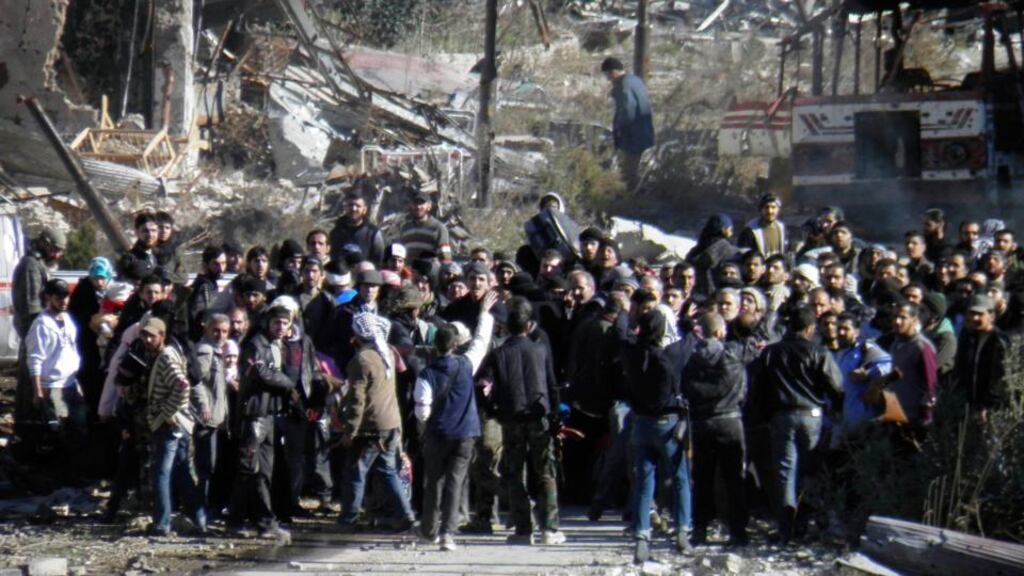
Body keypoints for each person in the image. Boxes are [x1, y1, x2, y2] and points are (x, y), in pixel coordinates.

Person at [414, 291, 497, 551]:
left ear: (435, 345)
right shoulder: (466, 364)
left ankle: (429, 529)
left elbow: (422, 409)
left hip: (437, 434)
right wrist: (484, 313)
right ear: (455, 345)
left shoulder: (426, 374)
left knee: (433, 482)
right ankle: (448, 533)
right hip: (465, 433)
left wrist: (424, 428)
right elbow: (481, 341)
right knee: (455, 481)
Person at [478, 297, 565, 545]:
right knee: (545, 472)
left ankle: (523, 529)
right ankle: (549, 527)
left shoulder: (498, 354)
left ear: (507, 327)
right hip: (538, 416)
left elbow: (482, 385)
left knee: (515, 474)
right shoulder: (540, 350)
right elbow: (552, 385)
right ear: (529, 325)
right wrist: (555, 415)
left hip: (511, 417)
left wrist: (492, 410)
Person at [753, 305, 843, 541]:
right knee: (810, 471)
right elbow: (835, 386)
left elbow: (758, 388)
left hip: (781, 416)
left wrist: (763, 416)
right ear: (811, 328)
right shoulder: (819, 352)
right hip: (812, 415)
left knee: (785, 473)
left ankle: (786, 529)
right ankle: (808, 523)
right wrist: (838, 409)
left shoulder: (771, 353)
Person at [614, 305, 690, 562]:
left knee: (644, 481)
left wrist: (626, 310)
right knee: (680, 478)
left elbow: (621, 332)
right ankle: (682, 531)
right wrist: (687, 318)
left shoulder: (631, 352)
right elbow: (690, 339)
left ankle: (641, 536)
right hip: (668, 423)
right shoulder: (671, 355)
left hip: (641, 422)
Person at [335, 311, 417, 532]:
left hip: (370, 427)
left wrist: (350, 431)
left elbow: (357, 400)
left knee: (356, 472)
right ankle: (406, 514)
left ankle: (348, 519)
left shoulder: (362, 360)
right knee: (388, 470)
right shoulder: (387, 353)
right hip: (391, 423)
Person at [684, 312, 758, 547]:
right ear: (719, 332)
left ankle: (699, 529)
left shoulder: (691, 359)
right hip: (730, 420)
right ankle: (738, 532)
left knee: (702, 478)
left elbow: (685, 388)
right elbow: (754, 344)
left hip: (701, 423)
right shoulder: (732, 354)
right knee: (734, 478)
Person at [229, 305, 296, 540]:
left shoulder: (278, 345)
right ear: (268, 322)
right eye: (277, 322)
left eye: (285, 323)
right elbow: (261, 372)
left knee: (264, 470)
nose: (281, 327)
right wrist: (288, 383)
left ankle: (257, 520)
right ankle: (249, 520)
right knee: (249, 468)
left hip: (269, 414)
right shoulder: (256, 344)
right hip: (254, 413)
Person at [144, 316, 207, 536]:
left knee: (161, 474)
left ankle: (162, 524)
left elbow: (183, 386)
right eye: (144, 335)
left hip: (170, 425)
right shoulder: (167, 354)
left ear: (162, 336)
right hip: (179, 424)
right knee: (182, 472)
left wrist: (167, 413)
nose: (147, 340)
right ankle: (199, 520)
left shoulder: (166, 357)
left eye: (151, 336)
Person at [24, 278, 87, 480]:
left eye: (66, 296)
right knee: (58, 430)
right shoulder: (41, 325)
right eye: (59, 297)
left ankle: (76, 472)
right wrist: (38, 391)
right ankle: (59, 475)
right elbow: (34, 359)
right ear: (49, 297)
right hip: (52, 385)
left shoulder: (67, 319)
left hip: (71, 381)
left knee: (79, 427)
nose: (63, 301)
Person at [953, 295, 1011, 424]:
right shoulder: (967, 336)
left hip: (990, 410)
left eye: (979, 314)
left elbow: (998, 379)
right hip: (966, 405)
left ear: (991, 316)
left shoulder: (999, 341)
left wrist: (987, 405)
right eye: (972, 313)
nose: (974, 318)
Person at [601, 57, 654, 192]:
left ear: (613, 72)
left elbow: (627, 111)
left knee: (628, 172)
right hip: (644, 129)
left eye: (607, 75)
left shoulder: (623, 85)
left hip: (632, 134)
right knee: (634, 168)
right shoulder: (635, 80)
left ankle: (635, 197)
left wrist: (620, 131)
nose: (608, 79)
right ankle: (638, 192)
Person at [400, 190, 450, 262]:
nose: (418, 207)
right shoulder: (405, 228)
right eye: (415, 203)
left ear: (429, 206)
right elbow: (400, 256)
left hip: (430, 269)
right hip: (409, 269)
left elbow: (446, 260)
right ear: (410, 205)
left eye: (421, 203)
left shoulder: (438, 228)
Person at [739, 194, 787, 258]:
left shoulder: (781, 228)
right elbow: (744, 255)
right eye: (766, 207)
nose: (770, 211)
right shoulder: (750, 230)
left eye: (773, 207)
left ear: (778, 209)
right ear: (761, 209)